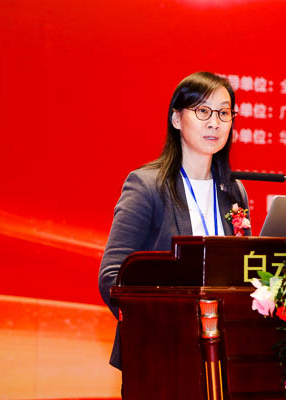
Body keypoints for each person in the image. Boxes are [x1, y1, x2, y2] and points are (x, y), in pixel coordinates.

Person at [98, 71, 251, 370]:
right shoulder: (147, 186)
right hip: (160, 355)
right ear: (177, 119)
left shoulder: (233, 191)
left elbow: (242, 271)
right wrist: (158, 323)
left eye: (224, 113)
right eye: (203, 111)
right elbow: (112, 277)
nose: (215, 122)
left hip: (224, 352)